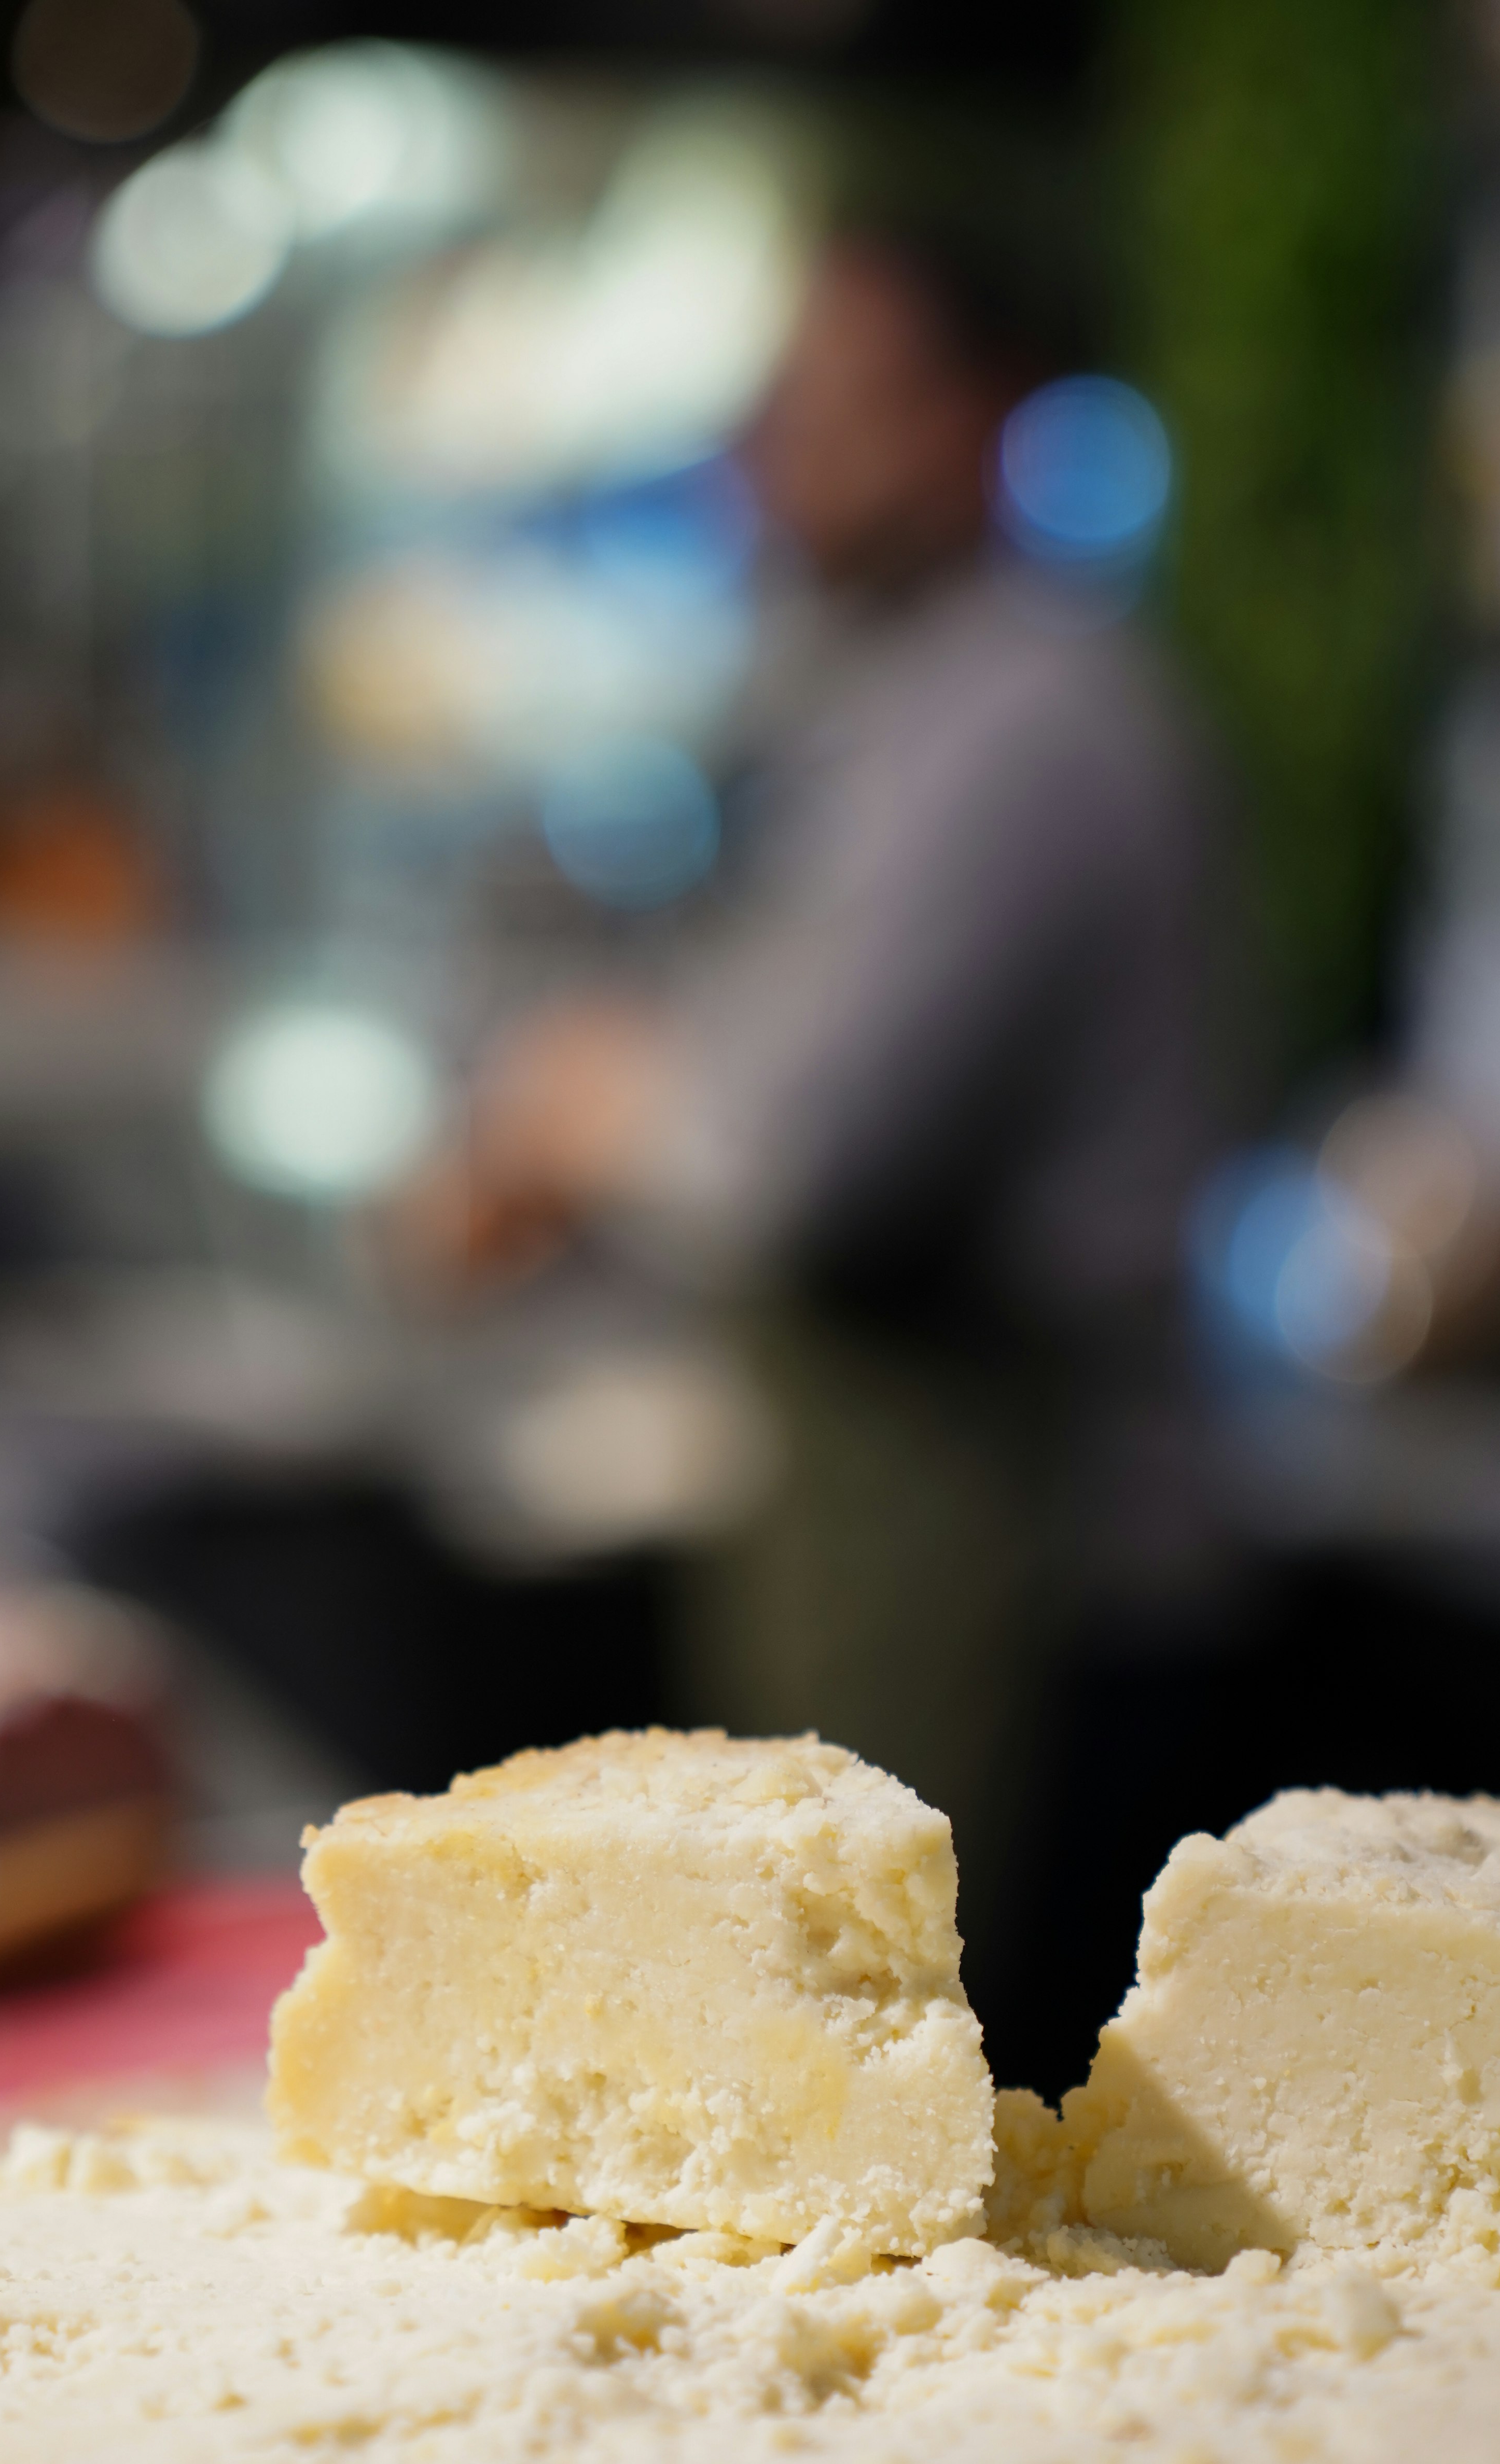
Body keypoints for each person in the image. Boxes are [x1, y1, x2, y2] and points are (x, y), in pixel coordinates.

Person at [406, 218, 1245, 2083]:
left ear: (978, 416)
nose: (782, 445)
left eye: (841, 398)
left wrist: (575, 1102)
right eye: (778, 401)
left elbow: (805, 1158)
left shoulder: (1029, 721)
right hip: (909, 1537)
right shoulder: (884, 701)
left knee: (969, 2150)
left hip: (1049, 1585)